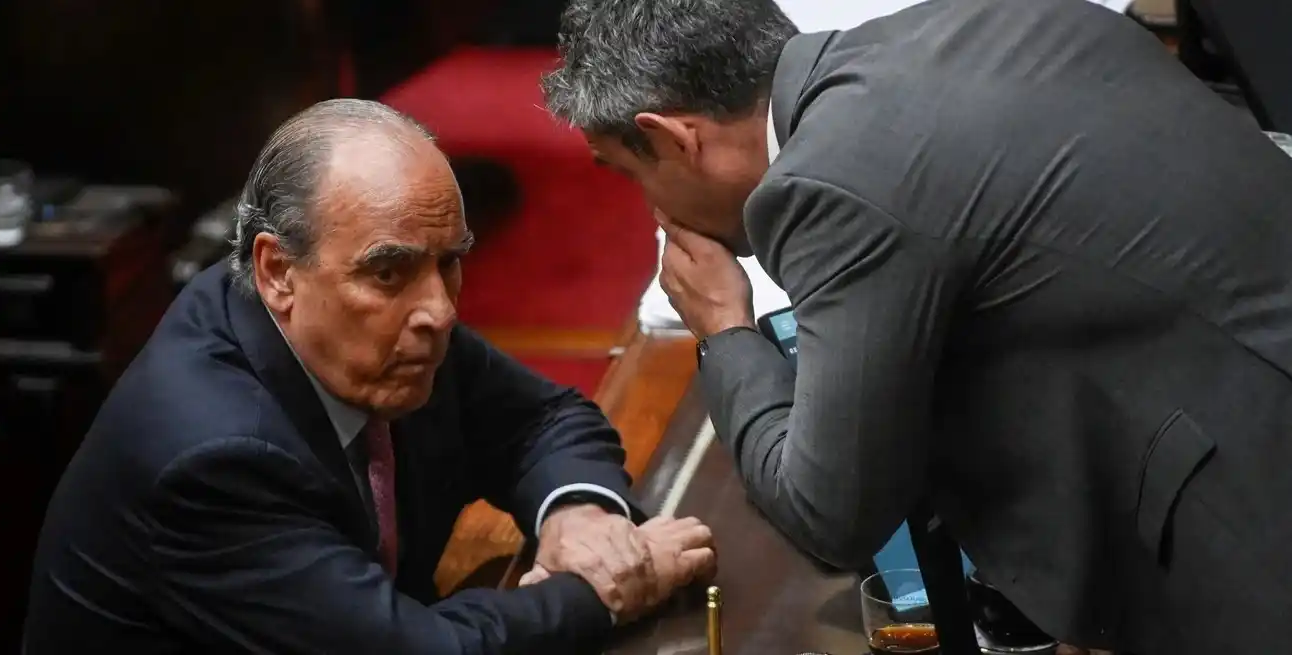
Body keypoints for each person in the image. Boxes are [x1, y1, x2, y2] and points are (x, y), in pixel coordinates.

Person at [542, 0, 1292, 653]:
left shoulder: (830, 184)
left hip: (1253, 524)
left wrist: (724, 327)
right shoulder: (993, 24)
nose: (651, 210)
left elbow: (828, 515)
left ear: (673, 136)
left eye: (628, 172)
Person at [23, 99, 716, 654]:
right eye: (389, 272)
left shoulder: (371, 330)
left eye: (449, 262)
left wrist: (579, 517)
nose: (440, 310)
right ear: (275, 271)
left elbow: (540, 418)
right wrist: (607, 587)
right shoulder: (213, 455)